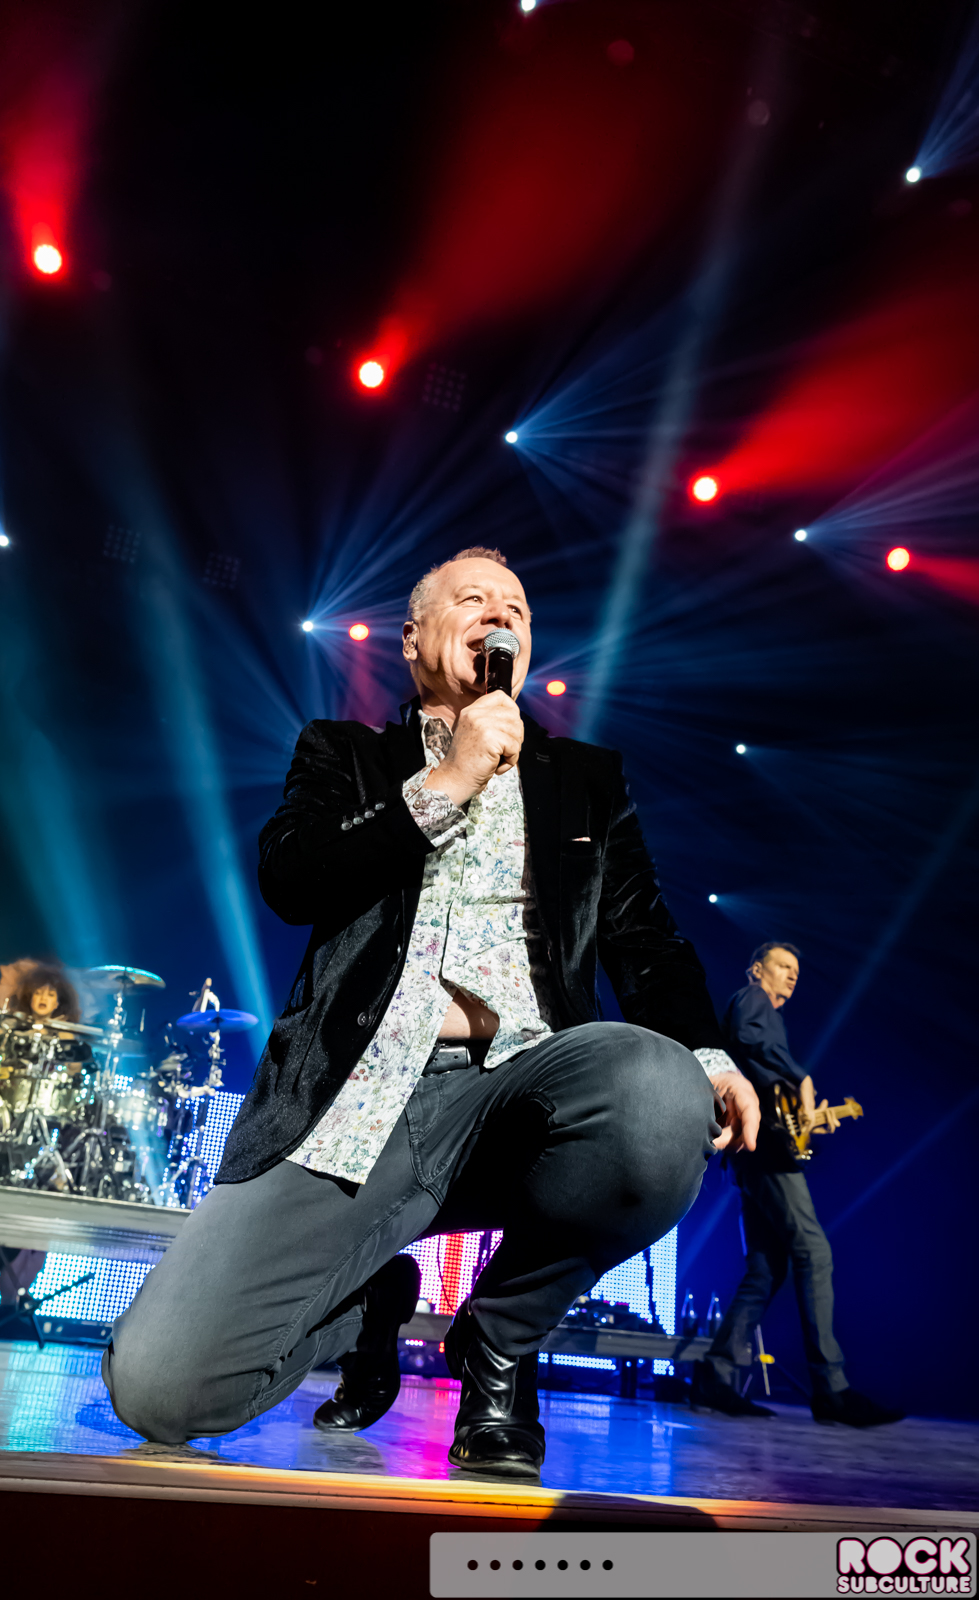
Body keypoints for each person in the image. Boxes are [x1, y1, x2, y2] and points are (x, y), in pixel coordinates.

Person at [103, 547, 759, 1476]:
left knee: (660, 1089)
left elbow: (643, 937)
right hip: (360, 1103)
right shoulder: (343, 754)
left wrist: (710, 1055)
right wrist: (449, 777)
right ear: (413, 641)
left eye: (515, 609)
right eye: (473, 600)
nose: (500, 616)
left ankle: (497, 1341)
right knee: (160, 1391)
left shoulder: (584, 780)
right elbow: (291, 878)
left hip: (523, 1092)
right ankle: (369, 1301)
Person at [693, 942, 903, 1427]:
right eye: (782, 966)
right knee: (814, 1252)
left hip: (758, 1153)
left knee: (766, 1270)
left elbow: (768, 1081)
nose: (791, 976)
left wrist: (809, 1120)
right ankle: (831, 1389)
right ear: (756, 969)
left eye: (796, 971)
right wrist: (800, 1076)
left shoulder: (770, 1015)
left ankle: (715, 1377)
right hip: (766, 1153)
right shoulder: (753, 1001)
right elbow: (750, 1040)